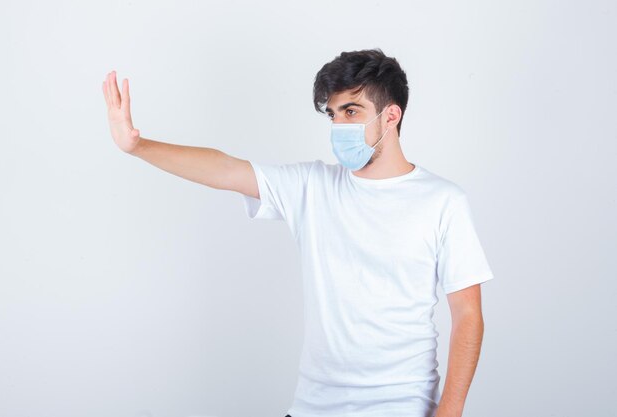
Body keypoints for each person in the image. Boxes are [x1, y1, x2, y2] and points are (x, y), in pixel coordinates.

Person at [102, 48, 495, 417]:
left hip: (401, 405)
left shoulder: (443, 201)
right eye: (333, 114)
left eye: (352, 111)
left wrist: (449, 412)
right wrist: (139, 147)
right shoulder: (313, 186)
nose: (339, 125)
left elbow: (467, 316)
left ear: (391, 116)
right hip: (313, 406)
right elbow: (225, 170)